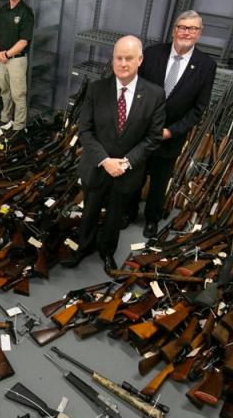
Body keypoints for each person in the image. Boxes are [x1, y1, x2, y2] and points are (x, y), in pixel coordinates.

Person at [70, 36, 165, 274]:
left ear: (140, 60)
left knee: (114, 216)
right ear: (112, 60)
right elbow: (85, 130)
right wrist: (105, 160)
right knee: (89, 210)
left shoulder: (154, 95)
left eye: (129, 58)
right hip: (96, 166)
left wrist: (126, 162)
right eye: (118, 58)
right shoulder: (96, 90)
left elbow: (153, 138)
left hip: (126, 171)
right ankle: (83, 248)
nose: (123, 63)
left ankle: (107, 252)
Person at [133, 10, 216, 238]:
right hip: (140, 132)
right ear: (174, 29)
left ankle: (151, 219)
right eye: (182, 27)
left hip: (170, 136)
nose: (186, 32)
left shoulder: (206, 65)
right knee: (134, 175)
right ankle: (127, 212)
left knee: (159, 181)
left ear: (199, 33)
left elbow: (199, 109)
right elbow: (135, 89)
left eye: (192, 28)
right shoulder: (151, 53)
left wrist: (172, 131)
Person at [0, 0, 34, 132]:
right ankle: (5, 119)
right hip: (2, 59)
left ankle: (18, 127)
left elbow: (24, 41)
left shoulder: (26, 12)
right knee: (5, 92)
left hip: (16, 60)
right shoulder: (2, 10)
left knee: (18, 95)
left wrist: (7, 54)